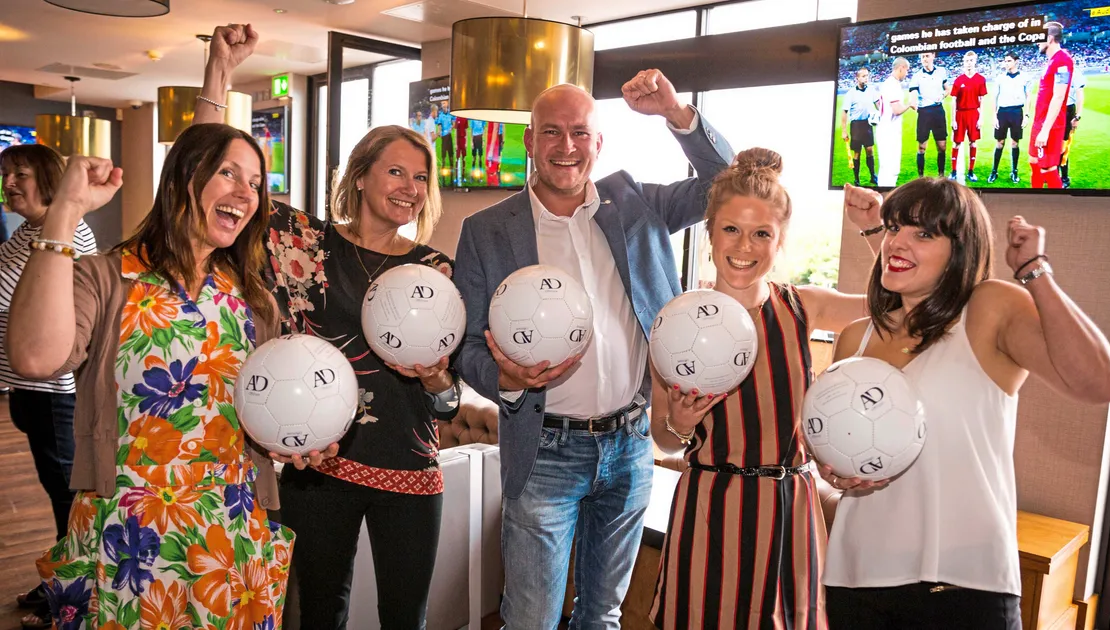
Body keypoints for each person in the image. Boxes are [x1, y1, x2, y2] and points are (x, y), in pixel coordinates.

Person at [196, 24, 461, 629]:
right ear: (361, 176)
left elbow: (448, 404)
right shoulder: (300, 242)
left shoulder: (434, 270)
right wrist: (220, 71)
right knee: (318, 613)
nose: (411, 189)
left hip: (411, 470)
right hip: (316, 465)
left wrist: (437, 380)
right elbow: (206, 170)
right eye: (397, 173)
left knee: (406, 618)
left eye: (421, 178)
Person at [453, 70, 734, 629]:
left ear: (598, 143)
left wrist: (676, 113)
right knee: (530, 620)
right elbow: (464, 344)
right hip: (544, 450)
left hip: (630, 445)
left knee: (602, 615)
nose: (567, 146)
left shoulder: (635, 203)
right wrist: (506, 379)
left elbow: (725, 182)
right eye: (551, 132)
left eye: (580, 132)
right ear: (530, 141)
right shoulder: (487, 230)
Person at [7, 123, 297, 629]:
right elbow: (33, 358)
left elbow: (264, 408)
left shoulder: (253, 299)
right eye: (228, 173)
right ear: (185, 177)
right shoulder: (107, 277)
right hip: (128, 534)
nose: (246, 193)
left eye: (254, 182)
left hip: (228, 525)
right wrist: (65, 210)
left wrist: (295, 439)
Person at [822, 177, 1110, 629]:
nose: (897, 242)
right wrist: (836, 473)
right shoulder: (854, 339)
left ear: (959, 250)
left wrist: (1035, 271)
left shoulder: (988, 309)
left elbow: (1098, 383)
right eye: (895, 227)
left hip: (963, 585)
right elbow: (839, 454)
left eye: (924, 233)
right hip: (855, 580)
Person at [647, 150, 882, 630]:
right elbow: (665, 439)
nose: (744, 246)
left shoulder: (803, 307)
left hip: (787, 510)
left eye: (762, 234)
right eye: (731, 229)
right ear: (710, 232)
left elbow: (899, 303)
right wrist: (680, 422)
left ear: (780, 241)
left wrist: (876, 228)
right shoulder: (675, 323)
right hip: (709, 508)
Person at [0, 144, 98, 630]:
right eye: (5, 174)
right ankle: (60, 583)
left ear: (49, 179)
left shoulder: (68, 233)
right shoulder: (27, 231)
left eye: (20, 173)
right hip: (27, 392)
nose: (9, 183)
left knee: (69, 503)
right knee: (59, 497)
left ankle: (73, 600)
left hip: (57, 395)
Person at [1029, 21, 1075, 189]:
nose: (1037, 42)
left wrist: (1045, 130)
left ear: (1049, 39)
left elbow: (1059, 96)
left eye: (1039, 38)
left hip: (1050, 125)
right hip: (1039, 122)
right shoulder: (1051, 61)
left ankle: (1056, 202)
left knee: (1048, 168)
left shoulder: (1063, 60)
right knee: (1034, 161)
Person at [988, 51, 1029, 184]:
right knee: (1000, 142)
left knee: (1015, 142)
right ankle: (994, 171)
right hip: (1002, 112)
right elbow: (994, 97)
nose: (1006, 63)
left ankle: (1014, 171)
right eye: (1005, 61)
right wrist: (994, 116)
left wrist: (1026, 115)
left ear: (1016, 61)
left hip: (1017, 112)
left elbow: (1028, 97)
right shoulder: (1000, 78)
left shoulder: (1024, 77)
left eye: (1009, 61)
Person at [910, 52, 950, 178]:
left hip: (938, 111)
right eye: (922, 57)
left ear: (933, 56)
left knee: (942, 146)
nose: (925, 59)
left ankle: (941, 176)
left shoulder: (941, 71)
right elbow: (913, 94)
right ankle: (921, 177)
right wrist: (914, 103)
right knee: (922, 147)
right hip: (924, 113)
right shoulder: (917, 76)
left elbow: (947, 89)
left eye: (927, 56)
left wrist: (942, 95)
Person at [948, 51, 987, 182]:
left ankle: (971, 171)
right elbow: (953, 100)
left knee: (973, 142)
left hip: (973, 114)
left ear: (975, 61)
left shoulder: (980, 79)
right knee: (956, 143)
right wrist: (953, 119)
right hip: (960, 114)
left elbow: (982, 99)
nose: (969, 63)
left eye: (971, 61)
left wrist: (981, 118)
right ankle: (954, 171)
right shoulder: (959, 80)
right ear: (963, 63)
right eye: (966, 61)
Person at [877, 57, 916, 187]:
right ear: (901, 68)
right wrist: (909, 104)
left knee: (886, 169)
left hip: (886, 128)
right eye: (907, 70)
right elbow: (897, 110)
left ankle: (884, 195)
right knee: (890, 170)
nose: (907, 73)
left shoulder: (888, 83)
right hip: (889, 131)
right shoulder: (893, 84)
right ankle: (885, 196)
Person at [841, 67, 879, 186]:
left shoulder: (871, 90)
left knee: (870, 150)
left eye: (867, 75)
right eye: (863, 76)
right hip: (856, 126)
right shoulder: (851, 93)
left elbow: (878, 104)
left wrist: (882, 114)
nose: (866, 78)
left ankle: (873, 176)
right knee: (857, 153)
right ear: (857, 78)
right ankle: (856, 179)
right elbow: (844, 112)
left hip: (868, 124)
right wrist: (844, 131)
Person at [1059, 65, 1085, 188]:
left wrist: (1078, 116)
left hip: (1067, 109)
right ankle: (1053, 175)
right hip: (1053, 109)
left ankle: (1064, 178)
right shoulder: (1051, 69)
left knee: (1063, 146)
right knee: (1052, 145)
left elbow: (1080, 93)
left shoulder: (1074, 72)